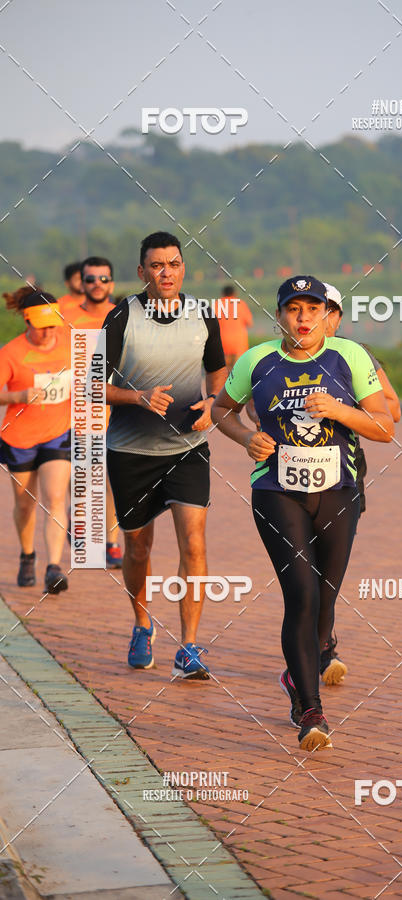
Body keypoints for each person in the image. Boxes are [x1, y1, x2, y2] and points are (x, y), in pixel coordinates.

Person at [212, 276, 393, 750]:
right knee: (302, 594)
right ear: (280, 315)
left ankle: (298, 677)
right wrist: (244, 437)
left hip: (339, 491)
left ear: (324, 315)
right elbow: (220, 410)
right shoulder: (257, 359)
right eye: (294, 309)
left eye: (312, 309)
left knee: (325, 600)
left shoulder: (349, 356)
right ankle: (311, 711)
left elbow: (384, 426)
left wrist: (338, 409)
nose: (304, 318)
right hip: (276, 490)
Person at [103, 232, 228, 678]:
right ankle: (141, 624)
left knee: (194, 543)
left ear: (182, 268)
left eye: (173, 264)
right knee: (138, 549)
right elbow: (91, 384)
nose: (166, 272)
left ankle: (190, 645)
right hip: (130, 451)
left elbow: (218, 370)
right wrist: (136, 397)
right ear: (142, 272)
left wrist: (214, 404)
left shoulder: (203, 315)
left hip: (187, 450)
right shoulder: (121, 318)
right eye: (157, 265)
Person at [316, 282, 402, 684]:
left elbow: (393, 411)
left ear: (338, 317)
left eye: (331, 311)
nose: (323, 318)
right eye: (315, 309)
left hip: (346, 474)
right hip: (288, 479)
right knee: (304, 568)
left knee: (328, 569)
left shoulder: (356, 355)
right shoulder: (279, 357)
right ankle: (319, 646)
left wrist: (340, 407)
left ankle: (323, 643)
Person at [0, 287, 71, 593]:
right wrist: (18, 395)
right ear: (27, 322)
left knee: (56, 497)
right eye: (41, 327)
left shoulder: (71, 344)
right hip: (20, 436)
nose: (47, 333)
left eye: (52, 324)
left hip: (59, 433)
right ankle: (27, 555)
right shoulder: (11, 353)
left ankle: (53, 568)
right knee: (25, 503)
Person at [64, 256, 122, 569]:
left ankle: (112, 543)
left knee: (112, 479)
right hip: (78, 412)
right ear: (81, 282)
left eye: (103, 278)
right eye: (90, 279)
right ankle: (79, 523)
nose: (97, 284)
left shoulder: (123, 316)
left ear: (111, 282)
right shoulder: (66, 317)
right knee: (82, 476)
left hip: (116, 411)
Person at [215, 284, 253, 370]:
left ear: (223, 293)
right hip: (239, 343)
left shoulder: (218, 304)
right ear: (235, 293)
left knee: (224, 372)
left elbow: (212, 323)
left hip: (222, 342)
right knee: (237, 371)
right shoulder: (241, 304)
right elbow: (249, 323)